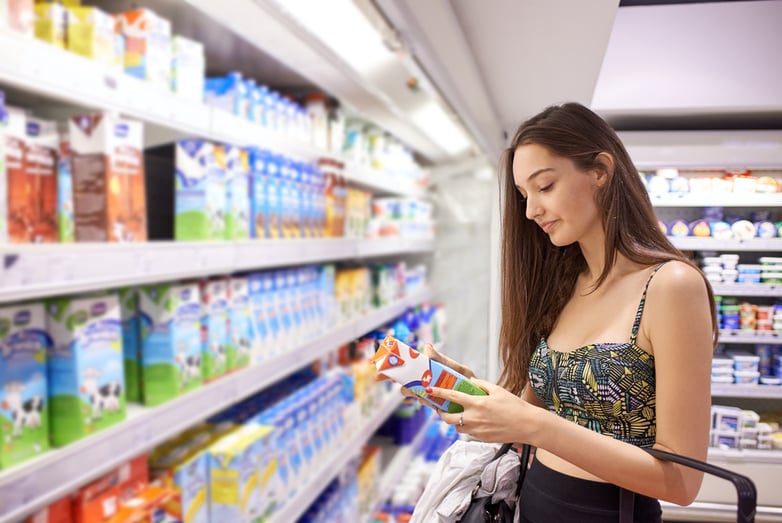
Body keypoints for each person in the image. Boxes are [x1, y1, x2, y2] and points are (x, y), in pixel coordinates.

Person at [403, 102, 717, 522]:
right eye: (524, 196)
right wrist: (468, 393)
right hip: (531, 505)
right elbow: (531, 417)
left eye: (545, 186)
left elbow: (681, 480)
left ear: (601, 171)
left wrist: (532, 424)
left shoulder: (671, 286)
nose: (531, 210)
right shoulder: (564, 286)